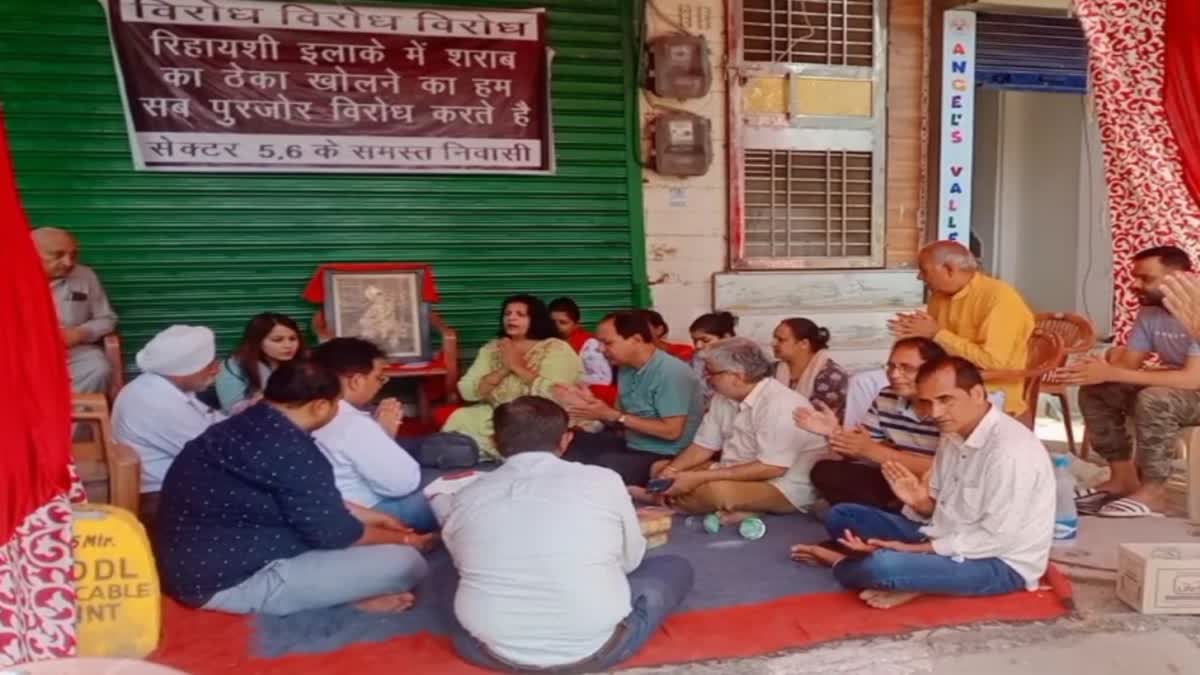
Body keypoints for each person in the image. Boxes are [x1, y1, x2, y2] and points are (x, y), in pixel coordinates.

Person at [155, 359, 433, 616]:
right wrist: (408, 540)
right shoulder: (294, 451)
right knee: (406, 563)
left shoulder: (244, 424)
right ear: (320, 406)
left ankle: (336, 592)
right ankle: (340, 602)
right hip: (226, 582)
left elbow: (305, 499)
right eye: (337, 404)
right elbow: (335, 534)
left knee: (372, 542)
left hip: (192, 561)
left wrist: (374, 518)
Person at [443, 396, 694, 671]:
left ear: (493, 441)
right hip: (597, 648)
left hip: (490, 650)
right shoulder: (603, 480)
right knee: (674, 567)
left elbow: (461, 561)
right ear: (565, 440)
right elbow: (629, 561)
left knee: (445, 576)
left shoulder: (467, 495)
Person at [790, 356, 1054, 609]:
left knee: (882, 568)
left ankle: (847, 563)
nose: (936, 412)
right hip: (945, 535)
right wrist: (919, 502)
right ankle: (916, 575)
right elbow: (938, 513)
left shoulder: (1008, 452)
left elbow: (998, 539)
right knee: (842, 516)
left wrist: (912, 550)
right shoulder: (953, 434)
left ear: (976, 394)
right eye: (928, 402)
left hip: (997, 561)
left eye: (945, 400)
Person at [1063, 246, 1200, 517]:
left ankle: (1155, 491)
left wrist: (1114, 373)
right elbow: (1128, 367)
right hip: (1177, 390)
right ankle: (1122, 478)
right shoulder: (1150, 313)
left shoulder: (1196, 311)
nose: (1135, 285)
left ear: (1179, 278)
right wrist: (1097, 369)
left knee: (1155, 398)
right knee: (1098, 390)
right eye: (1134, 277)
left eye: (1146, 278)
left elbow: (1191, 379)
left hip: (1190, 392)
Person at [844, 241, 1034, 426]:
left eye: (924, 270)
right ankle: (853, 444)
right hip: (941, 372)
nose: (920, 277)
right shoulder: (939, 296)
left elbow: (994, 361)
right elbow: (934, 346)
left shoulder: (999, 298)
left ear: (949, 269)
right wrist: (913, 333)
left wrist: (936, 334)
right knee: (862, 381)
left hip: (984, 384)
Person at [646, 338, 826, 523]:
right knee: (659, 468)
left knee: (713, 492)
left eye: (711, 372)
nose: (706, 378)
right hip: (735, 471)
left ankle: (664, 500)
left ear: (737, 376)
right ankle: (738, 507)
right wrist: (672, 469)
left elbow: (772, 468)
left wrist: (698, 477)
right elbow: (703, 446)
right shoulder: (723, 397)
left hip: (781, 485)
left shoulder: (780, 404)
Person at [795, 338, 947, 511]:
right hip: (899, 479)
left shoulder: (947, 405)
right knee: (825, 472)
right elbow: (860, 451)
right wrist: (834, 432)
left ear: (934, 370)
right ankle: (888, 512)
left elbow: (946, 468)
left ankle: (888, 515)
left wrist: (873, 450)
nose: (895, 375)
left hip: (940, 486)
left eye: (907, 368)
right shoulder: (886, 396)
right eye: (891, 367)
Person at [561, 310, 705, 486]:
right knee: (568, 440)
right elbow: (620, 421)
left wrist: (614, 416)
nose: (600, 349)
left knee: (599, 467)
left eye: (607, 343)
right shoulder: (626, 368)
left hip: (665, 456)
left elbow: (672, 431)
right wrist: (595, 408)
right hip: (633, 444)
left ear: (636, 340)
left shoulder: (671, 372)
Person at [311, 337, 436, 533]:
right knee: (453, 491)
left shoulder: (308, 409)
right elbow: (402, 484)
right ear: (356, 381)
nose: (381, 384)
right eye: (379, 377)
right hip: (366, 512)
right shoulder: (351, 422)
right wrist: (384, 435)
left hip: (325, 508)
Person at [443, 294, 583, 459]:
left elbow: (557, 394)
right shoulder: (492, 348)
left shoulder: (556, 348)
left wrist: (517, 366)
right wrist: (504, 368)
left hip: (541, 416)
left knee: (525, 431)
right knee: (462, 418)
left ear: (536, 319)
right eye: (507, 314)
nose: (511, 318)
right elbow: (467, 390)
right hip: (498, 414)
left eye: (520, 314)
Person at [112, 325, 225, 523]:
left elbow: (215, 422)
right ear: (181, 372)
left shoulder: (163, 387)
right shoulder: (156, 400)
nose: (216, 369)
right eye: (209, 365)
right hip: (162, 498)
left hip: (181, 487)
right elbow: (218, 454)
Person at [33, 227, 118, 394]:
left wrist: (80, 333)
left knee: (97, 367)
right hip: (17, 354)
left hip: (71, 353)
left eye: (73, 255)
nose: (68, 262)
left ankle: (72, 418)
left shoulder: (85, 276)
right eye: (58, 255)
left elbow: (107, 318)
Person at [214, 312, 305, 414]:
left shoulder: (303, 363)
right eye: (277, 340)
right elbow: (231, 410)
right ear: (257, 341)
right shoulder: (233, 367)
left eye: (293, 339)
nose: (288, 345)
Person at [773, 318, 850, 420]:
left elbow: (818, 420)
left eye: (781, 340)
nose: (774, 344)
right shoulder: (771, 370)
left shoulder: (832, 376)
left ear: (804, 344)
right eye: (775, 338)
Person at [549, 296, 613, 387]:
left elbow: (603, 379)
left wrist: (570, 378)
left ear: (576, 324)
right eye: (552, 322)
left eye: (563, 322)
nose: (556, 326)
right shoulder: (545, 341)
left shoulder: (590, 345)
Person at [688, 311, 738, 407]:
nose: (698, 346)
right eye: (694, 341)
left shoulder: (741, 361)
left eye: (705, 340)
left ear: (726, 337)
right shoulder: (698, 359)